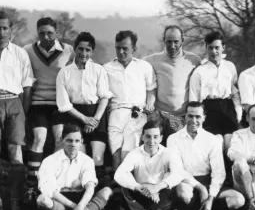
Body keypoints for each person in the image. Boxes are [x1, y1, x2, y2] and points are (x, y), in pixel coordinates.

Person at [23, 17, 74, 199]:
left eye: (50, 33)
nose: (46, 36)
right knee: (39, 139)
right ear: (37, 33)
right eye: (42, 33)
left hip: (59, 104)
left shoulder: (68, 51)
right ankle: (30, 187)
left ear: (57, 33)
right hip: (38, 103)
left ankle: (52, 185)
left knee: (60, 140)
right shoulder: (27, 51)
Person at [167, 101, 245, 210]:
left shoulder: (212, 140)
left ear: (204, 118)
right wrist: (201, 188)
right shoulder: (173, 139)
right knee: (183, 194)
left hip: (208, 181)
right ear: (185, 116)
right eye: (190, 116)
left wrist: (211, 196)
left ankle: (201, 206)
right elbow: (177, 170)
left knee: (238, 200)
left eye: (198, 116)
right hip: (186, 182)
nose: (193, 120)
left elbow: (218, 172)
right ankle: (198, 207)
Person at [53, 32, 111, 183]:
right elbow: (64, 104)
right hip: (75, 115)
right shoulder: (64, 73)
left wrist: (95, 120)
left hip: (97, 115)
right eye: (80, 49)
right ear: (74, 49)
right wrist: (85, 119)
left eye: (87, 50)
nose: (83, 53)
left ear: (92, 52)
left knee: (98, 157)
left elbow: (104, 97)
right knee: (81, 157)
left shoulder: (99, 70)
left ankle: (99, 196)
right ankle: (80, 192)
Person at [36, 124, 113, 210]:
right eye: (69, 140)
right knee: (42, 199)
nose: (73, 144)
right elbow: (51, 191)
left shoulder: (87, 160)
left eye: (77, 141)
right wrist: (75, 207)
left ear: (81, 142)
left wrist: (80, 206)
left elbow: (90, 186)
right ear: (61, 139)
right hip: (60, 199)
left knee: (108, 191)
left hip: (80, 198)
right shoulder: (50, 160)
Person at [114, 120, 183, 210]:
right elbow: (118, 174)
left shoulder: (169, 153)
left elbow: (179, 174)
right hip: (142, 194)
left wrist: (157, 187)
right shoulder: (135, 153)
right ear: (142, 137)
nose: (151, 141)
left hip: (161, 195)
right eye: (148, 136)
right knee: (127, 183)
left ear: (161, 138)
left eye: (155, 137)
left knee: (170, 177)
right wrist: (140, 188)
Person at [104, 30, 157, 171]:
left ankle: (130, 189)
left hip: (137, 115)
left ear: (134, 49)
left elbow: (151, 89)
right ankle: (117, 190)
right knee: (115, 155)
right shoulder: (106, 68)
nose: (121, 52)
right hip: (115, 115)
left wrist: (150, 104)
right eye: (118, 48)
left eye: (125, 48)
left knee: (128, 155)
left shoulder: (144, 67)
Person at [0, 10, 35, 210]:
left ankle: (15, 201)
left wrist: (24, 110)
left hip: (14, 103)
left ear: (11, 31)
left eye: (5, 28)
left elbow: (27, 85)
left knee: (16, 155)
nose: (1, 32)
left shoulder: (20, 53)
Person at [144, 25, 201, 143]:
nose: (172, 46)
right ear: (163, 40)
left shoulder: (194, 60)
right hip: (160, 114)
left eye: (176, 41)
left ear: (182, 40)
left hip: (183, 116)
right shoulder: (151, 61)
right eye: (169, 42)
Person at [189, 31, 242, 152]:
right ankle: (217, 171)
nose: (214, 51)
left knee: (230, 144)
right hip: (209, 110)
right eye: (210, 48)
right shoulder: (199, 71)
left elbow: (234, 92)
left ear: (223, 47)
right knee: (217, 143)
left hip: (228, 109)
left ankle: (231, 170)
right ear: (206, 48)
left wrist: (239, 112)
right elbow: (193, 99)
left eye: (217, 48)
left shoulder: (230, 67)